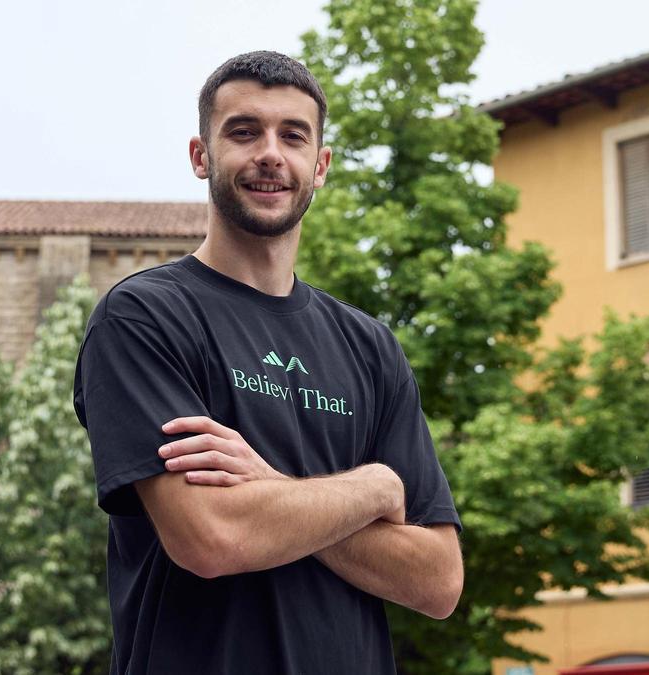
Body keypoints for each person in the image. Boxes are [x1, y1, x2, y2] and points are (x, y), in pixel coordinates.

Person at [72, 51, 463, 674]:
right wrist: (374, 487)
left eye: (293, 135)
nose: (270, 154)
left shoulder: (370, 348)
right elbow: (212, 538)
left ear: (321, 165)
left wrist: (271, 491)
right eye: (244, 131)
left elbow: (438, 581)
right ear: (202, 155)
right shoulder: (145, 318)